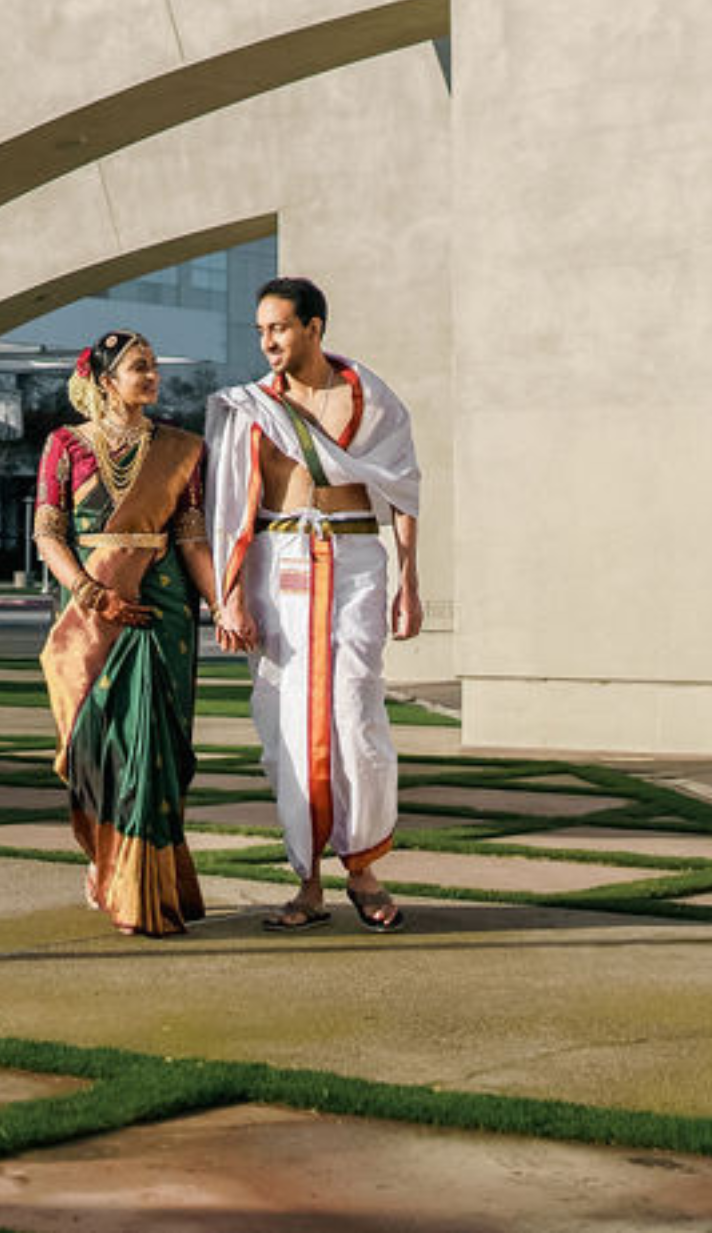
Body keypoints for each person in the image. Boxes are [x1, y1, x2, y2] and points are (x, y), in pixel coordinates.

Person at [206, 277, 421, 933]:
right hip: (280, 565)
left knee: (356, 712)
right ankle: (307, 882)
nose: (268, 341)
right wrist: (229, 597)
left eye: (279, 327)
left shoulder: (372, 399)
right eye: (261, 331)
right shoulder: (250, 408)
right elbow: (230, 508)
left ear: (314, 327)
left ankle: (363, 869)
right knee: (285, 725)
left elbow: (405, 491)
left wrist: (409, 582)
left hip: (355, 561)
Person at [34, 329, 223, 936]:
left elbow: (192, 539)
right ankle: (104, 864)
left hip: (161, 610)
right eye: (140, 368)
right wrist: (92, 593)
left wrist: (226, 605)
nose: (153, 377)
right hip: (88, 615)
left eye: (155, 367)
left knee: (154, 752)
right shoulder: (65, 446)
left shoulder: (183, 450)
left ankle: (144, 894)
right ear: (106, 380)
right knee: (95, 751)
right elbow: (47, 535)